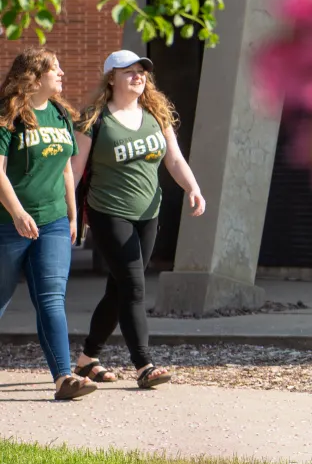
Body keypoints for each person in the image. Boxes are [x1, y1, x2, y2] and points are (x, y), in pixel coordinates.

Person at [68, 50, 207, 390]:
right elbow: (74, 170)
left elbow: (174, 159)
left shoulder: (156, 114)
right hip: (109, 212)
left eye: (142, 71)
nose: (138, 76)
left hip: (149, 213)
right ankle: (144, 364)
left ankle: (87, 358)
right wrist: (69, 214)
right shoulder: (95, 118)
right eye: (128, 71)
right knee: (133, 287)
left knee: (119, 289)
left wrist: (193, 188)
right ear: (111, 78)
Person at [0, 47, 94, 400]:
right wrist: (17, 213)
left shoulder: (59, 114)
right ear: (34, 77)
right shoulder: (9, 115)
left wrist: (72, 215)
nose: (62, 75)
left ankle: (64, 378)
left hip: (52, 223)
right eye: (56, 69)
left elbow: (67, 170)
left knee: (51, 299)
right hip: (8, 224)